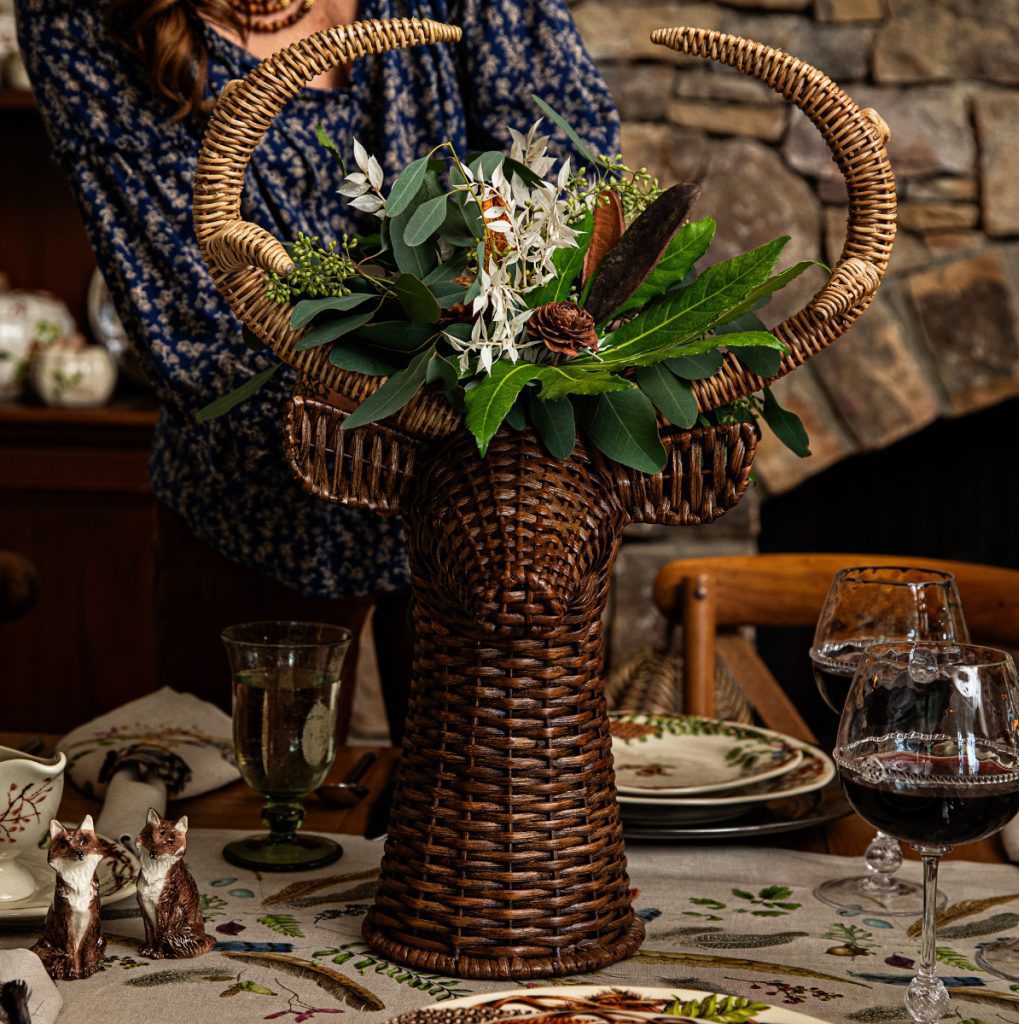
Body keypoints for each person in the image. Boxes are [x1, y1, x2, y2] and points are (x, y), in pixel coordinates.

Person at [14, 0, 620, 735]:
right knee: (242, 814)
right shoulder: (85, 16)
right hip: (255, 501)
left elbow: (575, 188)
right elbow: (197, 317)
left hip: (481, 488)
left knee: (496, 815)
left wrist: (498, 382)